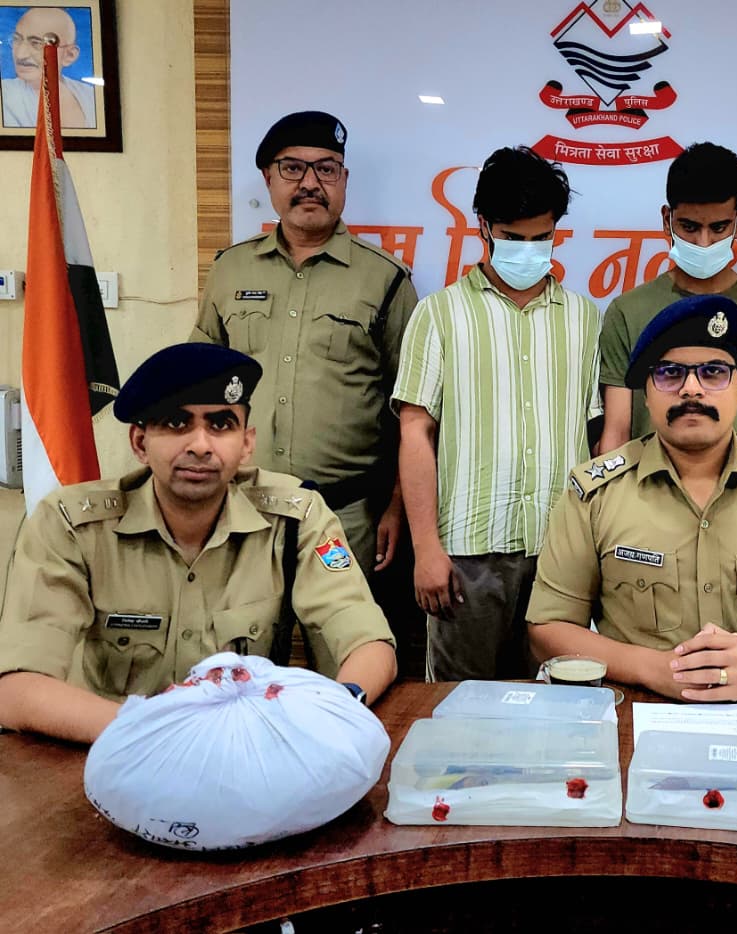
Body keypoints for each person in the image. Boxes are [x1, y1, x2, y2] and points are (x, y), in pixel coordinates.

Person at [0, 343, 398, 745]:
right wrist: (161, 734)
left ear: (247, 443)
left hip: (247, 750)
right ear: (140, 443)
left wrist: (339, 704)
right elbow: (17, 689)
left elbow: (369, 643)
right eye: (177, 423)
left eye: (221, 424)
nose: (201, 445)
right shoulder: (72, 524)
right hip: (120, 749)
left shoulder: (296, 516)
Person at [528, 294, 737, 702]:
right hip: (633, 710)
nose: (691, 389)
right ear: (646, 393)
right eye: (670, 373)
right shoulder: (595, 492)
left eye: (713, 372)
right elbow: (548, 628)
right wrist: (651, 668)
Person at [193, 111, 417, 676]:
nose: (311, 183)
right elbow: (199, 390)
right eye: (293, 168)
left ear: (344, 181)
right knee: (237, 669)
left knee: (349, 662)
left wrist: (396, 506)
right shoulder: (229, 270)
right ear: (268, 178)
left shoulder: (385, 278)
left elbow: (410, 406)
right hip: (243, 509)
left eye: (327, 169)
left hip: (348, 513)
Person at [393, 146, 601, 682]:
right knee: (459, 708)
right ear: (483, 225)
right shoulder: (439, 314)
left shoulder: (584, 318)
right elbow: (415, 433)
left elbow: (597, 437)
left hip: (561, 554)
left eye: (541, 237)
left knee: (559, 702)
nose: (527, 251)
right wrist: (426, 549)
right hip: (466, 555)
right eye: (513, 237)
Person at [597, 142, 737, 453]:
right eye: (689, 227)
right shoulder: (627, 312)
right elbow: (616, 432)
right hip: (650, 483)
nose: (704, 242)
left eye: (719, 228)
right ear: (667, 219)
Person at [1, 6, 96, 129]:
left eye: (36, 43)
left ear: (69, 55)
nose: (20, 54)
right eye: (16, 39)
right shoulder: (5, 95)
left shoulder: (91, 96)